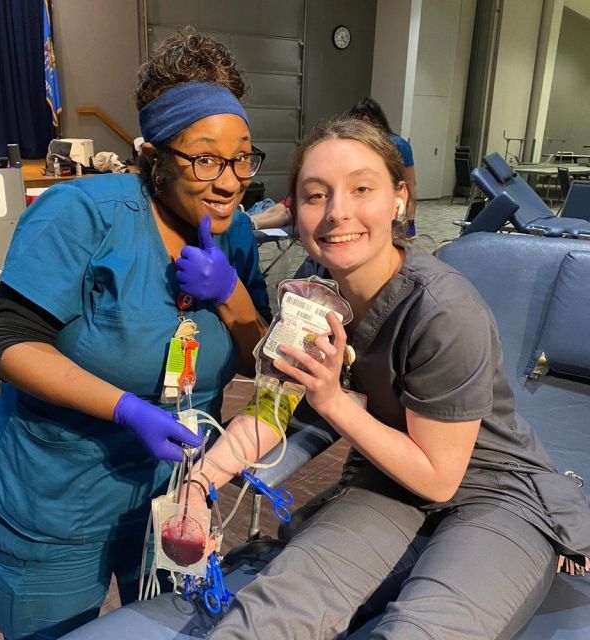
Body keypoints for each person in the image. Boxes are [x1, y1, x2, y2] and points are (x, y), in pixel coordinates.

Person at [185, 115, 590, 639]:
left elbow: (439, 478)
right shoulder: (308, 299)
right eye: (315, 195)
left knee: (417, 632)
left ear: (398, 199)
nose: (338, 213)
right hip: (389, 481)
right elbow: (275, 407)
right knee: (267, 614)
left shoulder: (442, 312)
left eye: (361, 189)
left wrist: (331, 402)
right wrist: (200, 484)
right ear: (294, 211)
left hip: (495, 494)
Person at [0, 28, 271, 640]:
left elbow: (259, 360)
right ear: (155, 156)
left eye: (242, 157)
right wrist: (125, 408)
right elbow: (9, 343)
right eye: (206, 157)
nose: (229, 180)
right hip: (56, 501)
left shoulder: (235, 237)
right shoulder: (81, 217)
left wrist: (231, 294)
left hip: (175, 499)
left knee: (166, 630)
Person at [349, 96, 418, 237]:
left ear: (367, 120)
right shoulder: (354, 145)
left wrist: (410, 220)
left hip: (391, 208)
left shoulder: (397, 144)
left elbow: (410, 184)